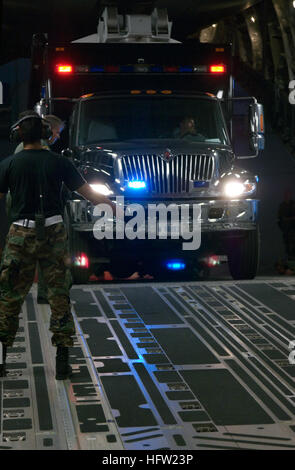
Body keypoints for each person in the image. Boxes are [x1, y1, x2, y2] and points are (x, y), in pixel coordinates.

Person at [0, 112, 115, 379]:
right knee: (59, 296)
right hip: (54, 233)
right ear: (44, 134)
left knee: (9, 297)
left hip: (20, 234)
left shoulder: (9, 164)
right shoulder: (59, 163)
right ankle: (62, 360)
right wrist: (112, 206)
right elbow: (88, 193)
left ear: (18, 135)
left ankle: (1, 358)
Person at [11, 112, 65, 304]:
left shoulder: (43, 152)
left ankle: (44, 293)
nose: (57, 136)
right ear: (46, 130)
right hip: (31, 214)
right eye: (56, 132)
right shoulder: (42, 155)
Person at [277, 189, 295, 260]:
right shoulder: (282, 206)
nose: (287, 196)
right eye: (286, 195)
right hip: (286, 229)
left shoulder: (293, 204)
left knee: (292, 245)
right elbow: (280, 218)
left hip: (292, 228)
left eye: (289, 195)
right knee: (288, 245)